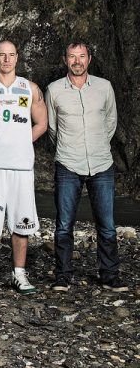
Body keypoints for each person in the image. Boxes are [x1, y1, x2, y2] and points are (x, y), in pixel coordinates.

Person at [45, 41, 127, 292]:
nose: (77, 61)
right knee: (63, 225)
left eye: (81, 56)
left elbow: (111, 121)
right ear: (65, 60)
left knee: (107, 225)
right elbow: (52, 128)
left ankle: (109, 275)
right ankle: (63, 275)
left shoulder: (104, 87)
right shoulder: (54, 90)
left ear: (89, 59)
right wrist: (69, 148)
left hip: (101, 163)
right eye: (72, 56)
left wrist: (98, 144)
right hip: (68, 163)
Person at [0, 40, 47, 295]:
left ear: (17, 58)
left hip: (21, 166)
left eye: (11, 55)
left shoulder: (30, 88)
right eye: (2, 55)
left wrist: (21, 142)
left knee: (21, 222)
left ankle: (19, 273)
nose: (6, 59)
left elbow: (42, 123)